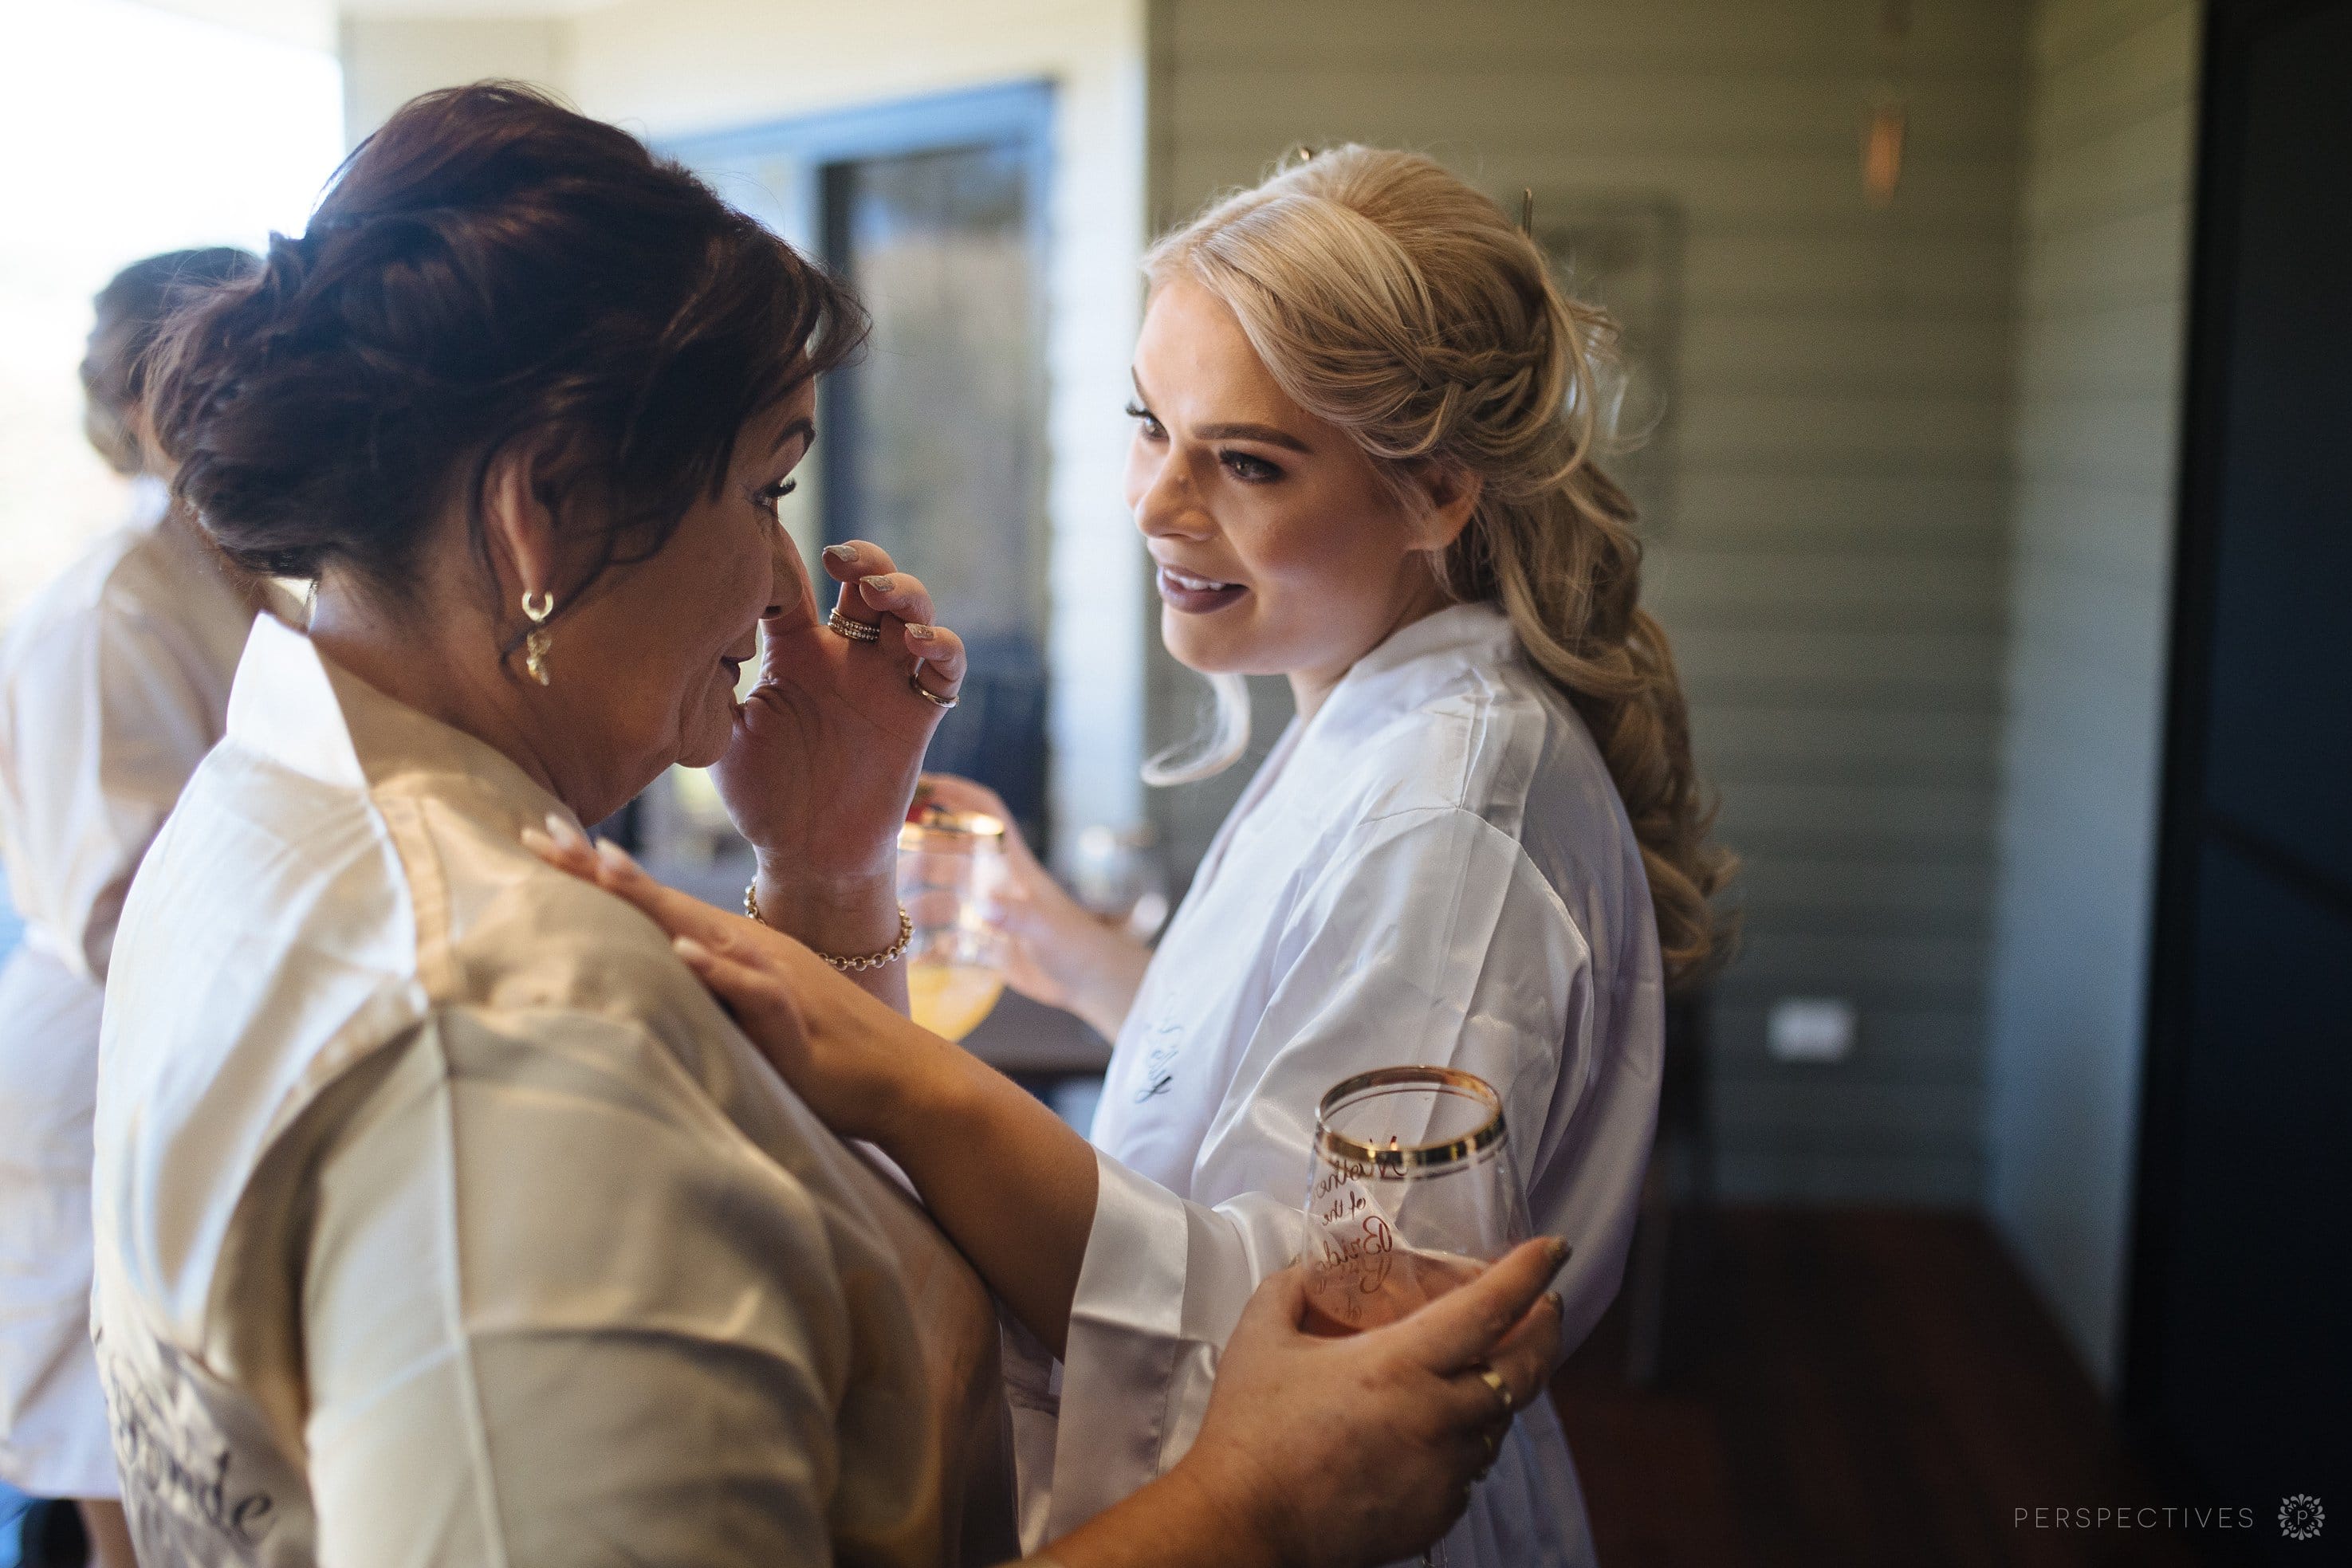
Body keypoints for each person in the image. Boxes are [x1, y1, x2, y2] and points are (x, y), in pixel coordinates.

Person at [88, 85, 1561, 1568]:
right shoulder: (515, 1044)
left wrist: (826, 866)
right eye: (762, 487)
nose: (784, 585)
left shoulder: (265, 803)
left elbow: (759, 1201)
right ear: (541, 512)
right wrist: (1249, 1510)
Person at [549, 146, 1734, 1566]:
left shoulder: (1450, 801)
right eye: (1147, 423)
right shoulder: (1375, 720)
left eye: (1245, 460)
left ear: (1434, 495)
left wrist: (910, 1079)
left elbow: (1331, 1338)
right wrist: (996, 922)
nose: (1156, 503)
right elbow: (1269, 1097)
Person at [0, 246, 276, 1568]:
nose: (236, 397)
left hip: (196, 1045)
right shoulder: (114, 605)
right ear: (128, 409)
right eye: (197, 378)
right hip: (106, 1058)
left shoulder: (251, 568)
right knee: (124, 1463)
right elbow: (118, 905)